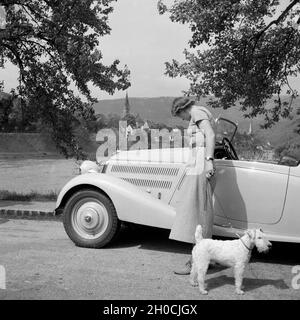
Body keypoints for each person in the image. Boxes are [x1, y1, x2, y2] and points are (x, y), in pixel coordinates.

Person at [169, 97, 216, 275]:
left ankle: (196, 262)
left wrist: (209, 161)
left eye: (179, 115)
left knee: (196, 213)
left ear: (182, 109)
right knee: (201, 212)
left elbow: (210, 135)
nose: (181, 119)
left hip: (201, 164)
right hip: (198, 163)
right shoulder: (201, 112)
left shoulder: (196, 112)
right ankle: (206, 258)